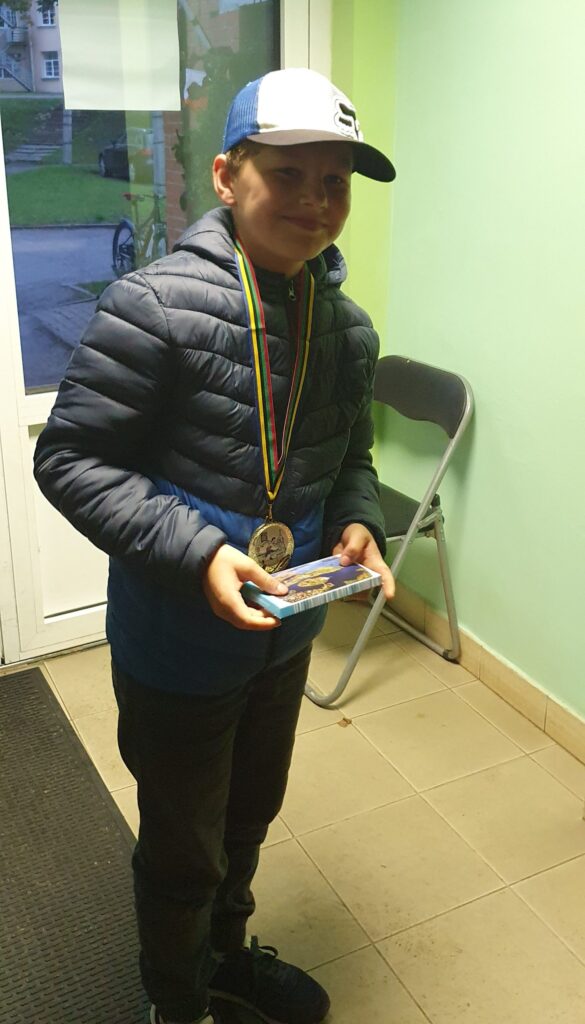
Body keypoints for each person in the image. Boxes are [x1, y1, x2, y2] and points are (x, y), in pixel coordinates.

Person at [34, 67, 396, 1024]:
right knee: (183, 843)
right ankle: (177, 1000)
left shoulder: (348, 330)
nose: (316, 201)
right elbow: (70, 460)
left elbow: (350, 460)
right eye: (290, 174)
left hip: (282, 636)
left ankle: (226, 959)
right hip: (178, 646)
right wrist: (198, 554)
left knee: (248, 818)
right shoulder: (151, 307)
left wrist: (359, 521)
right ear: (229, 177)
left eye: (335, 182)